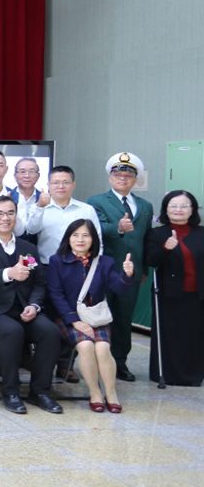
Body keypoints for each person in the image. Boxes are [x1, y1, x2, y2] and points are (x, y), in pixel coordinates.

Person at [0, 196, 63, 414]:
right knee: (12, 331)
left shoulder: (28, 247)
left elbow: (40, 283)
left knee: (50, 332)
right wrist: (10, 273)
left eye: (10, 213)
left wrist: (35, 306)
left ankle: (40, 391)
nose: (5, 218)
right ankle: (11, 391)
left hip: (23, 308)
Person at [46, 220, 135, 412]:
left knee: (103, 348)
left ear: (93, 239)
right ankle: (95, 392)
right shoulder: (57, 261)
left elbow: (118, 288)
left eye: (86, 235)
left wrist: (127, 276)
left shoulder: (105, 262)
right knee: (85, 345)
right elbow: (55, 294)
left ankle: (111, 393)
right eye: (75, 235)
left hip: (96, 317)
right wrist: (74, 321)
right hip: (67, 317)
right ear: (68, 238)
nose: (80, 239)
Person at [87, 152, 153, 383]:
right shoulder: (96, 201)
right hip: (104, 271)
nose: (123, 178)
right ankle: (96, 362)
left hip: (131, 273)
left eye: (128, 175)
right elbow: (94, 229)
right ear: (110, 177)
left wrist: (143, 269)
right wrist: (118, 227)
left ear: (135, 179)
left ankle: (120, 363)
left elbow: (146, 239)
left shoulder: (145, 206)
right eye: (118, 174)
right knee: (100, 317)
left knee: (124, 320)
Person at [145, 190, 204, 386]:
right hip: (169, 293)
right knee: (170, 335)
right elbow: (151, 260)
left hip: (197, 294)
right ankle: (165, 374)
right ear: (166, 209)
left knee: (194, 335)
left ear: (192, 210)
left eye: (184, 206)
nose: (179, 209)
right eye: (173, 206)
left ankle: (193, 374)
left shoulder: (201, 233)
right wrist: (166, 249)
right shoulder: (157, 233)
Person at [30, 166, 100, 264]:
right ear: (48, 185)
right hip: (47, 265)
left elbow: (97, 240)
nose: (61, 186)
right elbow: (31, 230)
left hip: (81, 264)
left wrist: (95, 265)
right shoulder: (38, 208)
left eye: (66, 182)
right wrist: (40, 207)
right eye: (56, 182)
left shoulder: (86, 210)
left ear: (73, 185)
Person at [12, 158, 45, 244]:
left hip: (39, 249)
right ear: (15, 176)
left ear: (38, 176)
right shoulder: (7, 198)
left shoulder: (45, 199)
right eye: (22, 171)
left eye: (31, 171)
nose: (27, 175)